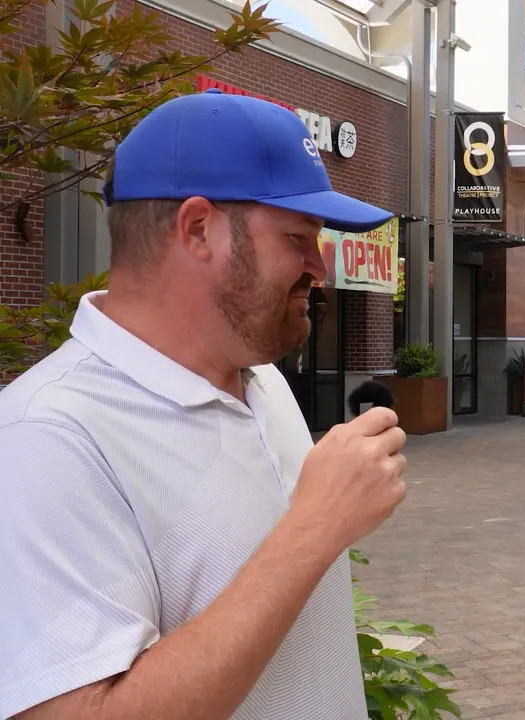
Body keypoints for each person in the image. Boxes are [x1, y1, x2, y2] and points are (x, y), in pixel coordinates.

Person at [0, 89, 408, 719]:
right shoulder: (47, 438)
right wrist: (316, 526)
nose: (319, 268)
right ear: (197, 229)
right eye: (298, 237)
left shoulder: (262, 381)